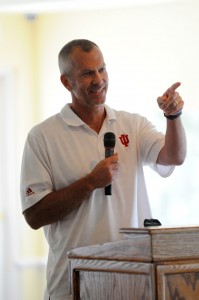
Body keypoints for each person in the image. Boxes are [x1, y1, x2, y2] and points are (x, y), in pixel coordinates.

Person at [20, 39, 186, 300]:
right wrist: (89, 183)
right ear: (66, 82)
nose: (98, 80)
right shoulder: (43, 137)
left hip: (131, 283)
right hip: (72, 285)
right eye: (87, 73)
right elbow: (34, 215)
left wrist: (173, 117)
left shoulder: (132, 124)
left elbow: (173, 157)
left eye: (102, 69)